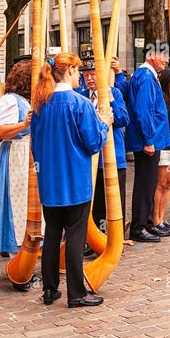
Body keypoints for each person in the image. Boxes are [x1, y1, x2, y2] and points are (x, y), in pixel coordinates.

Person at [31, 53, 113, 308]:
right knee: (76, 237)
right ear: (69, 72)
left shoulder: (40, 104)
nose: (80, 76)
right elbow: (92, 142)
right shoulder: (79, 103)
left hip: (49, 180)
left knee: (53, 234)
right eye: (78, 71)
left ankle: (49, 288)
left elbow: (35, 144)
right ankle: (76, 293)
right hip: (75, 179)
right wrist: (104, 125)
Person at [0, 60, 35, 288]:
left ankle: (29, 259)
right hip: (17, 155)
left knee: (31, 209)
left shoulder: (28, 100)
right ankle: (18, 263)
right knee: (17, 208)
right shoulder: (10, 100)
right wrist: (23, 124)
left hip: (31, 156)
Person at [126, 44, 170, 242]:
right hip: (148, 140)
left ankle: (146, 222)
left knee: (150, 182)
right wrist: (148, 139)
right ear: (152, 56)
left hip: (153, 137)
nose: (166, 61)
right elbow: (143, 110)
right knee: (145, 183)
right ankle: (138, 227)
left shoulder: (147, 75)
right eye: (164, 57)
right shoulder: (145, 76)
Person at [81, 57, 129, 235]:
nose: (90, 79)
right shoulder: (81, 95)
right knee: (95, 200)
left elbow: (124, 119)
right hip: (89, 158)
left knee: (115, 201)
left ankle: (116, 237)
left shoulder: (114, 92)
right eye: (86, 75)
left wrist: (111, 100)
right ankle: (94, 236)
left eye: (93, 74)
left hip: (113, 157)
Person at [152, 67, 170, 232]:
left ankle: (163, 217)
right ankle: (156, 219)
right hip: (165, 144)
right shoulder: (163, 97)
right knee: (161, 183)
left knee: (169, 183)